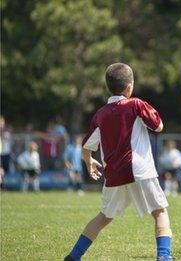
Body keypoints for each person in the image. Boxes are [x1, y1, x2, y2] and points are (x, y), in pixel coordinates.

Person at [65, 63, 173, 261]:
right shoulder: (136, 104)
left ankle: (73, 256)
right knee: (159, 212)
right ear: (130, 86)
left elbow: (87, 146)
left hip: (114, 174)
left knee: (103, 217)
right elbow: (158, 126)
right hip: (140, 170)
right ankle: (164, 257)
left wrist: (89, 163)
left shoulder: (101, 114)